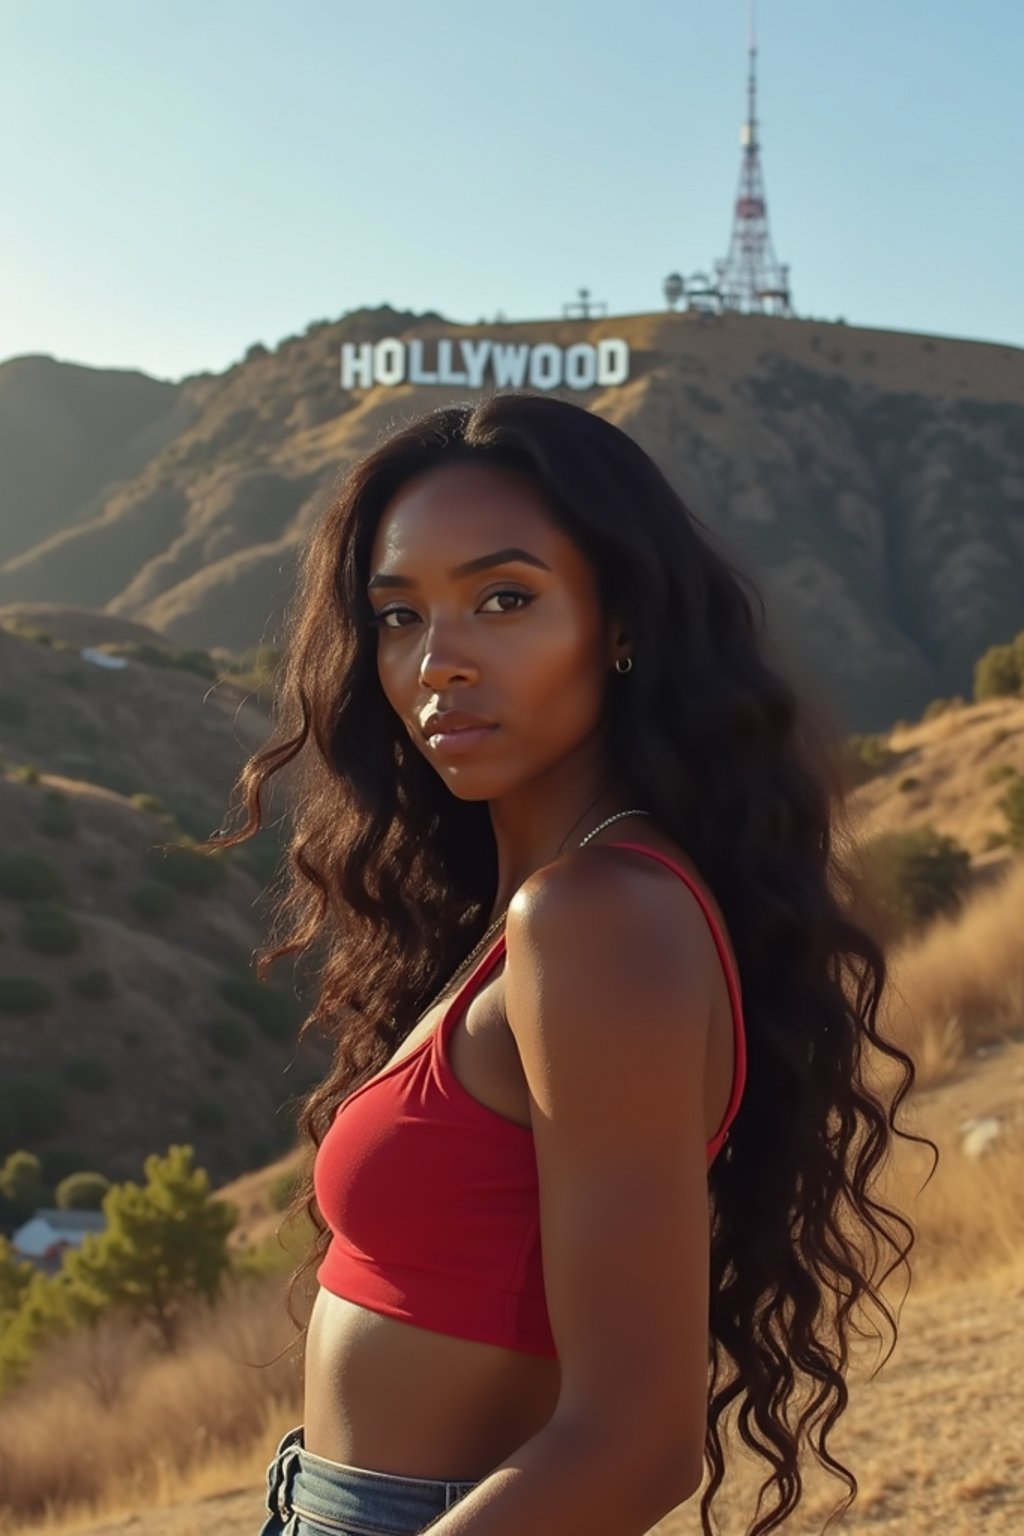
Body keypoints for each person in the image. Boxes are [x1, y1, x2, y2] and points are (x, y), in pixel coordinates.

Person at [210, 392, 931, 1536]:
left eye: (504, 599)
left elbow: (637, 1446)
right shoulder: (531, 906)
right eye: (399, 615)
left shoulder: (595, 918)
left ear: (622, 623)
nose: (436, 663)